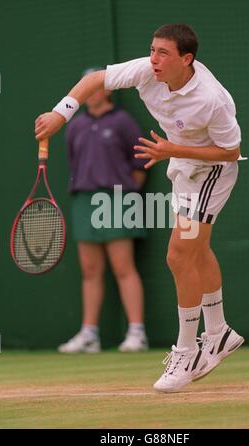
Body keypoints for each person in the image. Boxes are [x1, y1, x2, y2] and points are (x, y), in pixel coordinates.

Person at [35, 23, 244, 392]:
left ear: (186, 59)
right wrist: (60, 113)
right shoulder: (146, 71)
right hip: (182, 168)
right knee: (197, 251)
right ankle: (219, 333)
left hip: (213, 171)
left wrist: (170, 150)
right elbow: (95, 80)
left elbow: (230, 151)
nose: (154, 59)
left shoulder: (211, 99)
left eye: (163, 53)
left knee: (179, 256)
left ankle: (186, 351)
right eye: (152, 50)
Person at [58, 67, 149, 354]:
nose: (88, 91)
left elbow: (141, 163)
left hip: (117, 199)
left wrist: (125, 194)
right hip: (84, 199)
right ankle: (89, 335)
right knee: (89, 269)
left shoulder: (123, 122)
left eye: (93, 85)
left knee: (123, 267)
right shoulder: (75, 126)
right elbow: (75, 163)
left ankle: (137, 333)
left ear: (107, 89)